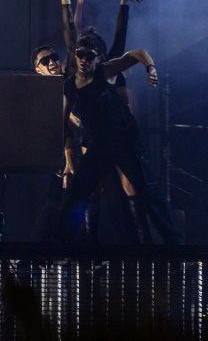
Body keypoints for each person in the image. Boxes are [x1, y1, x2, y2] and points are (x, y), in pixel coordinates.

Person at [56, 35, 162, 243]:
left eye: (89, 56)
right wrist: (66, 158)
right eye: (80, 54)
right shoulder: (69, 86)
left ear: (98, 58)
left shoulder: (106, 72)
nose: (83, 59)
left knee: (142, 190)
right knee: (79, 193)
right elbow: (62, 126)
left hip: (121, 142)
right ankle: (63, 246)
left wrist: (150, 67)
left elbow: (136, 52)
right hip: (96, 146)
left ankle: (156, 246)